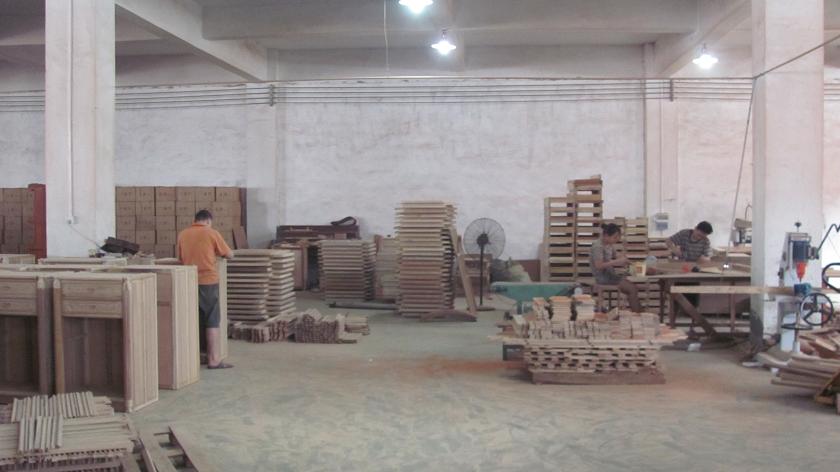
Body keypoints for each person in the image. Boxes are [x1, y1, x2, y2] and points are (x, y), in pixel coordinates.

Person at [177, 209, 234, 369]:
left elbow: (180, 259)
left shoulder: (183, 234)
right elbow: (229, 254)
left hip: (188, 281)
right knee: (212, 320)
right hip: (208, 281)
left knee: (193, 319)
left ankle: (193, 357)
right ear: (208, 221)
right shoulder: (211, 233)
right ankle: (213, 360)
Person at [590, 223, 642, 313]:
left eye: (618, 237)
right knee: (632, 289)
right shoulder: (597, 246)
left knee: (634, 286)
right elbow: (598, 265)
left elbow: (617, 255)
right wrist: (616, 262)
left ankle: (639, 313)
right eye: (615, 237)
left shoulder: (609, 244)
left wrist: (632, 264)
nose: (617, 239)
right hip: (603, 277)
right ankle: (638, 315)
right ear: (606, 235)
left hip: (611, 275)